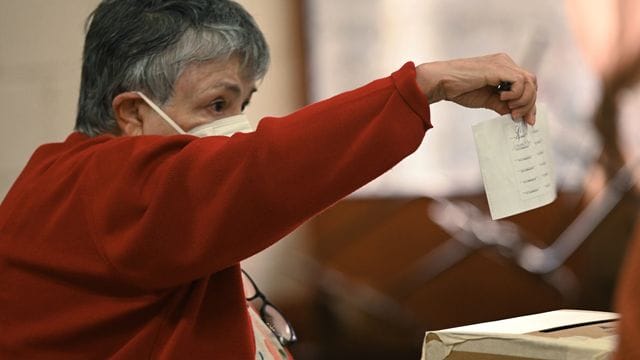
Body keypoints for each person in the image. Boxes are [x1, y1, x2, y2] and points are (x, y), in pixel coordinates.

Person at [0, 0, 537, 359]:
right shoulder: (98, 187)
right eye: (216, 104)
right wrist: (419, 88)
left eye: (241, 104)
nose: (235, 127)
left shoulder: (88, 185)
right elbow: (261, 168)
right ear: (133, 115)